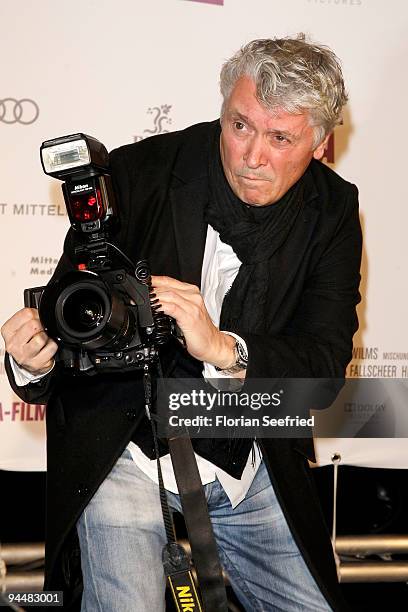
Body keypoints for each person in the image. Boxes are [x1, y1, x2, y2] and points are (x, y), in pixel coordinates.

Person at [2, 35, 362, 611]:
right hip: (128, 442)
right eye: (240, 125)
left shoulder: (334, 210)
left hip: (251, 453)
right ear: (222, 109)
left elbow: (322, 370)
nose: (251, 156)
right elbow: (75, 313)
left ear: (321, 145)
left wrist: (225, 349)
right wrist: (33, 358)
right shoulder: (136, 173)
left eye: (280, 138)